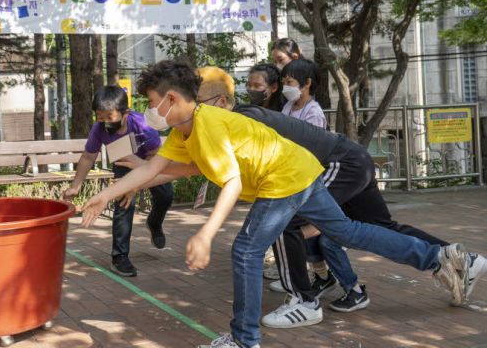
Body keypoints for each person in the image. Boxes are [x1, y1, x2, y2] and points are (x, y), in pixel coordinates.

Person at [81, 59, 473, 348]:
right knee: (347, 231)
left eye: (152, 102)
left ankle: (243, 339)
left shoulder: (208, 125)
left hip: (283, 180)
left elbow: (231, 180)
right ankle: (437, 257)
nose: (150, 111)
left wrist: (206, 232)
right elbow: (154, 170)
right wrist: (102, 195)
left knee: (246, 251)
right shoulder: (186, 130)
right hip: (302, 171)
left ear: (170, 99)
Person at [198, 66, 487, 329]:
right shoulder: (244, 116)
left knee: (286, 220)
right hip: (350, 158)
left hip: (338, 163)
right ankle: (451, 257)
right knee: (375, 226)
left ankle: (304, 300)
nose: (196, 113)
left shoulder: (242, 121)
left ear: (222, 102)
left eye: (199, 104)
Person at [63, 85, 174, 277]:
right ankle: (120, 257)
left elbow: (156, 157)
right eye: (99, 116)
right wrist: (76, 185)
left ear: (125, 113)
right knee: (124, 204)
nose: (104, 122)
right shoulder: (99, 129)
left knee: (166, 195)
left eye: (110, 117)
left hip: (149, 161)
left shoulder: (144, 125)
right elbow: (89, 156)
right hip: (124, 161)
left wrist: (138, 181)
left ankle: (154, 223)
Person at [280, 58, 327, 129]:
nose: (285, 87)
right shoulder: (289, 105)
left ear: (307, 83)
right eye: (283, 83)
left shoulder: (314, 114)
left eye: (289, 82)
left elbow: (312, 139)